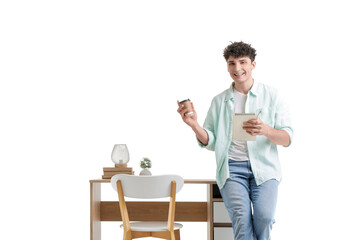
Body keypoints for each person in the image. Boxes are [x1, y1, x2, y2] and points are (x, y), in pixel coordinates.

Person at [177, 41, 293, 240]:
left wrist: (265, 129)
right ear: (227, 66)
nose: (237, 68)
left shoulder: (272, 96)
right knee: (242, 218)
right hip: (231, 169)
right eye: (232, 63)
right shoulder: (219, 101)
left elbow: (287, 138)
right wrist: (194, 125)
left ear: (253, 65)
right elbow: (211, 141)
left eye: (242, 62)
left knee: (264, 218)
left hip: (265, 169)